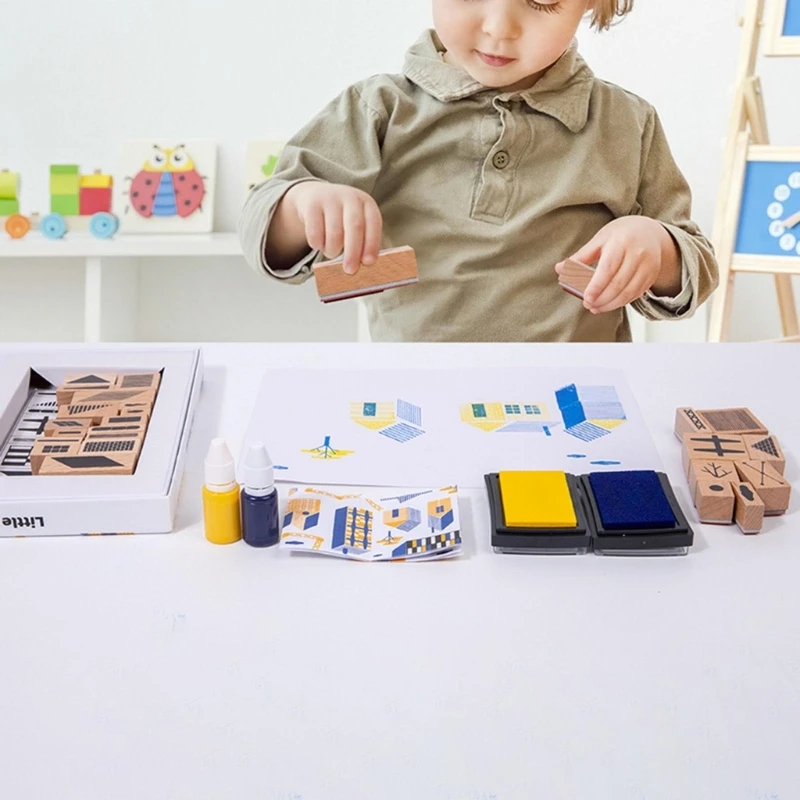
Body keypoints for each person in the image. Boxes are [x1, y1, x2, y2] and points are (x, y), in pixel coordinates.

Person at [238, 0, 718, 342]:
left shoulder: (626, 122)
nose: (499, 26)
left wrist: (657, 247)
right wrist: (303, 206)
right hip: (415, 391)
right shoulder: (379, 109)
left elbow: (695, 266)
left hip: (572, 396)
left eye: (543, 0)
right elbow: (263, 221)